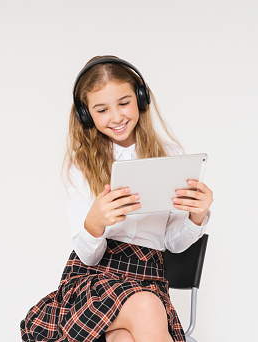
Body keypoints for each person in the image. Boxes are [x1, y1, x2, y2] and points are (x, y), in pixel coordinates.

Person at [20, 56, 213, 342]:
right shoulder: (81, 166)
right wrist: (95, 223)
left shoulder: (168, 155)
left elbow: (173, 242)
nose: (117, 117)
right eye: (102, 109)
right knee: (147, 308)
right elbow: (89, 255)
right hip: (95, 280)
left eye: (124, 103)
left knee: (123, 337)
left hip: (149, 277)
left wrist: (197, 216)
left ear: (140, 98)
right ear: (87, 115)